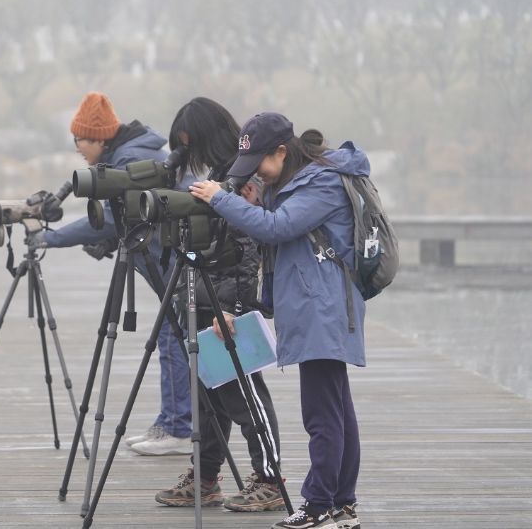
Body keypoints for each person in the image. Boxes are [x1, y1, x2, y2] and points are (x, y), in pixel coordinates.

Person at [189, 111, 365, 529]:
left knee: (321, 414)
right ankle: (342, 504)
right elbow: (281, 217)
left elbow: (278, 227)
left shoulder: (323, 180)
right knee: (338, 409)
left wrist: (221, 198)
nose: (259, 176)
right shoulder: (301, 179)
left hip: (321, 309)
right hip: (313, 305)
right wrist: (251, 199)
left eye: (261, 166)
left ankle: (318, 506)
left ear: (282, 152)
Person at [26, 91, 195, 456]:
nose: (77, 149)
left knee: (172, 336)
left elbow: (99, 222)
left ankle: (180, 429)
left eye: (79, 141)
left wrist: (48, 238)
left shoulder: (130, 159)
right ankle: (171, 423)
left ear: (99, 139)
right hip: (168, 257)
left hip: (178, 260)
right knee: (171, 334)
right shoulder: (128, 153)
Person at [153, 97, 285, 513]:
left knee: (244, 397)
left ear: (204, 138)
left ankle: (271, 481)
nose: (184, 154)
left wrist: (237, 310)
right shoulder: (218, 175)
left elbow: (247, 250)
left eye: (188, 144)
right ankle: (205, 476)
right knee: (211, 395)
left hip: (229, 306)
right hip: (208, 298)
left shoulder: (237, 177)